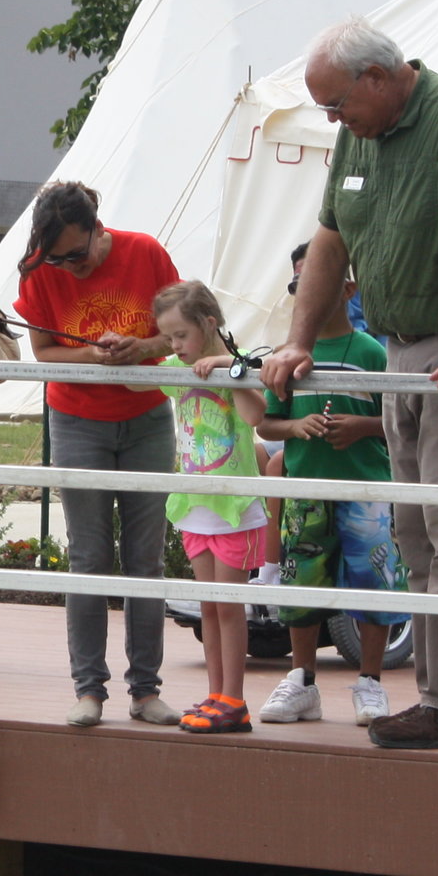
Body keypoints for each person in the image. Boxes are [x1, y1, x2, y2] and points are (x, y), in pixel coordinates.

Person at [263, 16, 438, 751]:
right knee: (417, 531)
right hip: (403, 347)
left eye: (338, 104)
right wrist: (299, 338)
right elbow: (330, 236)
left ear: (381, 78)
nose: (333, 119)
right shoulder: (358, 136)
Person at [11, 181, 182, 727]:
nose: (70, 268)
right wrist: (94, 353)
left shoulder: (146, 253)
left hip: (147, 419)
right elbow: (42, 349)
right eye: (58, 258)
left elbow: (180, 337)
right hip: (78, 420)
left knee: (145, 559)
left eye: (78, 255)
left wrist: (143, 348)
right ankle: (89, 689)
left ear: (98, 229)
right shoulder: (39, 271)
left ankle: (145, 690)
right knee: (88, 557)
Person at [250, 263, 408, 725]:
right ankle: (302, 680)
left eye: (319, 283)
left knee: (374, 582)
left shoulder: (372, 353)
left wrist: (362, 427)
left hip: (364, 488)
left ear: (348, 289)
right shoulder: (285, 356)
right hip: (305, 489)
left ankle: (371, 682)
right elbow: (266, 421)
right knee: (302, 585)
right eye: (300, 286)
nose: (308, 293)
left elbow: (399, 422)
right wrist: (296, 426)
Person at [153, 281, 270, 734]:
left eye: (182, 335)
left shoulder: (235, 369)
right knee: (208, 606)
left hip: (233, 507)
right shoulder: (177, 370)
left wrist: (229, 366)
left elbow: (255, 415)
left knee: (228, 606)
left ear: (209, 324)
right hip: (195, 504)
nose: (176, 347)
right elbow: (133, 374)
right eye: (169, 339)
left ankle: (234, 700)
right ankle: (216, 694)